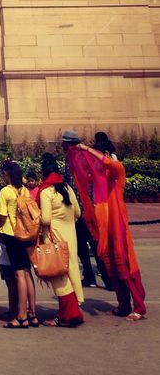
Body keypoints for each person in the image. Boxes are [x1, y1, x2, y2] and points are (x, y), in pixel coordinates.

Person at [68, 135, 147, 319]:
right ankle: (124, 305)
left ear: (104, 153)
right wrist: (75, 156)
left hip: (119, 227)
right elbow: (83, 174)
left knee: (126, 266)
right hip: (106, 228)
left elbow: (109, 163)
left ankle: (139, 308)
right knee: (113, 268)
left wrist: (87, 150)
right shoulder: (100, 177)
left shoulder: (117, 171)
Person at [36, 152, 84, 327]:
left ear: (43, 173)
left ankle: (68, 315)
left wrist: (36, 217)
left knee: (59, 275)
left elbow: (46, 220)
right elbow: (78, 213)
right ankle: (72, 311)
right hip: (70, 236)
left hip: (55, 238)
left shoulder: (46, 191)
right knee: (71, 271)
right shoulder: (67, 188)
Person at [60, 128, 110, 288]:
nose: (61, 144)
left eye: (63, 142)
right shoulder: (82, 156)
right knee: (86, 246)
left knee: (91, 246)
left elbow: (74, 186)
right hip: (87, 208)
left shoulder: (74, 158)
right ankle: (93, 276)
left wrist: (76, 209)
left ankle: (105, 278)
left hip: (83, 211)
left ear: (68, 143)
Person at [0, 159, 37, 328]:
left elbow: (1, 216)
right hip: (26, 235)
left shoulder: (6, 192)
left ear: (7, 174)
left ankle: (21, 315)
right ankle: (32, 313)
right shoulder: (25, 191)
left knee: (18, 274)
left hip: (11, 235)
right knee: (27, 273)